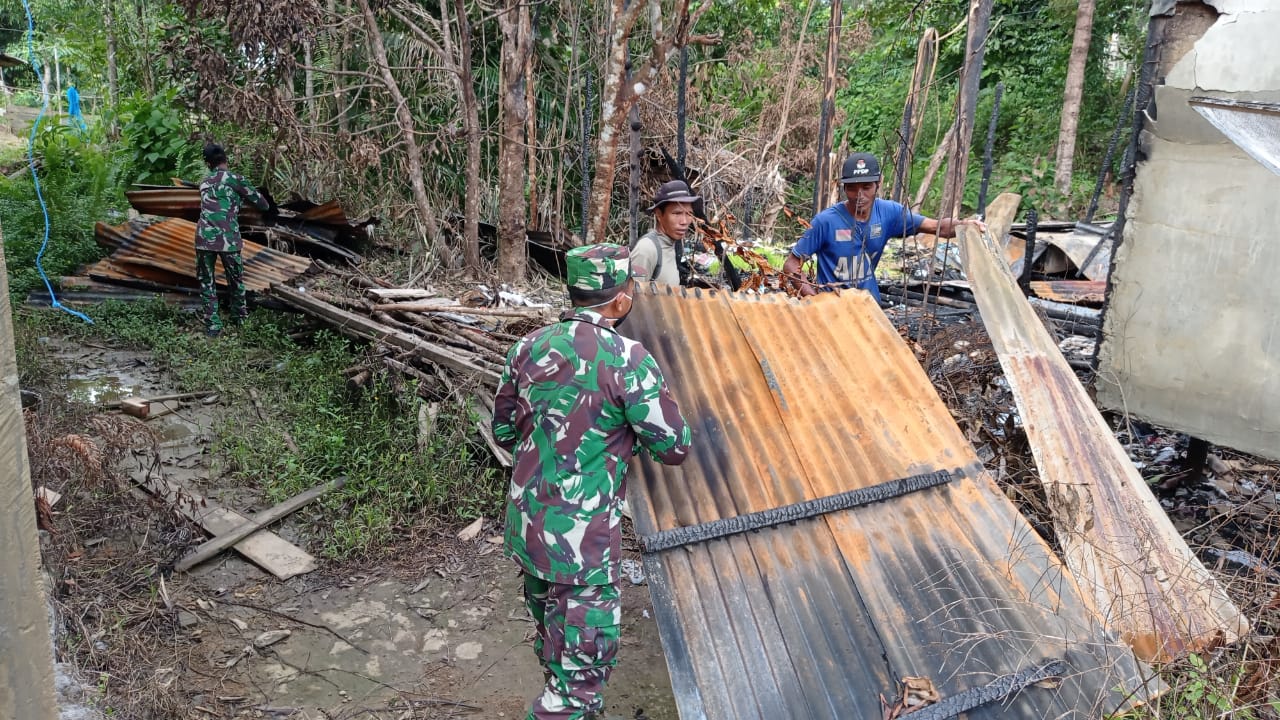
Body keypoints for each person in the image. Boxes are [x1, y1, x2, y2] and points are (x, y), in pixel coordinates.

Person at [493, 243, 691, 720]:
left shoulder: (528, 347)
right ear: (621, 299)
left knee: (554, 645)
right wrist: (622, 440)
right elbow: (674, 446)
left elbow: (502, 429)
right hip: (584, 547)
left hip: (530, 529)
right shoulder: (627, 357)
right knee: (578, 682)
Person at [782, 152, 984, 300]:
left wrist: (965, 226)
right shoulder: (825, 222)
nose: (859, 195)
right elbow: (791, 265)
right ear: (843, 187)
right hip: (834, 310)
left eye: (866, 187)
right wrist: (816, 299)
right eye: (851, 189)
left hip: (869, 307)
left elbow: (935, 227)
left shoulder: (889, 214)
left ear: (879, 183)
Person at [195, 143, 270, 337]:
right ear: (226, 159)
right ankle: (240, 319)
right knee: (236, 280)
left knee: (206, 281)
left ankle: (212, 326)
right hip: (229, 239)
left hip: (204, 238)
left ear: (207, 163)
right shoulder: (236, 179)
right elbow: (263, 205)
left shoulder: (204, 183)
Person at [631, 180, 699, 286]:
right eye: (677, 213)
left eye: (689, 214)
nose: (684, 221)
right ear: (659, 214)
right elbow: (632, 297)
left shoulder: (670, 244)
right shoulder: (646, 250)